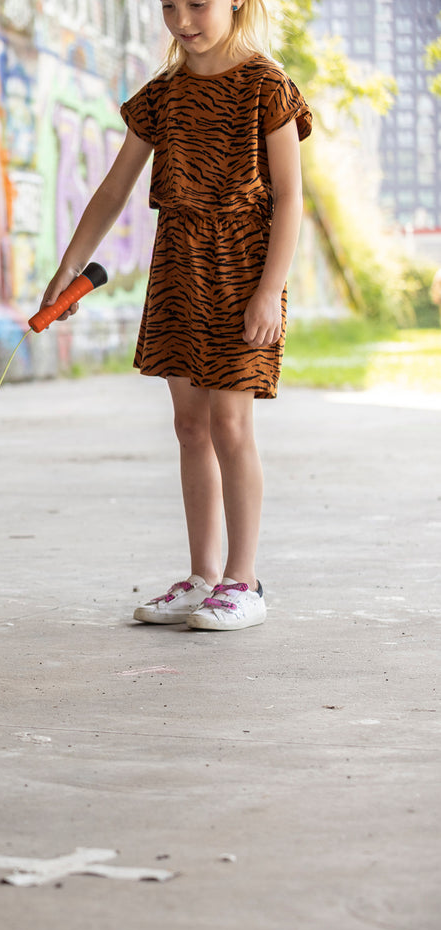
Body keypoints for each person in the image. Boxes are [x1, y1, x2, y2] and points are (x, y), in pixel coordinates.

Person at [41, 0, 310, 631]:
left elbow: (292, 197)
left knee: (231, 425)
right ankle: (203, 577)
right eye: (168, 5)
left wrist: (270, 290)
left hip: (244, 267)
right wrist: (67, 267)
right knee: (189, 426)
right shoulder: (161, 95)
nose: (182, 18)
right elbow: (112, 190)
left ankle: (244, 582)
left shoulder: (268, 86)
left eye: (197, 3)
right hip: (178, 267)